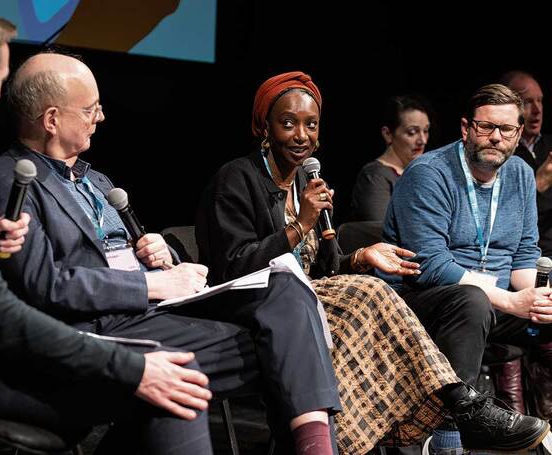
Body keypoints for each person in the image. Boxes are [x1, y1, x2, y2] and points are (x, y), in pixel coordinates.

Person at [0, 6, 228, 454]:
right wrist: (129, 366)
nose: (3, 98)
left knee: (166, 382)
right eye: (1, 81)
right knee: (171, 388)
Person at [0, 52, 344, 455]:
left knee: (285, 294)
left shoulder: (96, 179)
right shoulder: (7, 181)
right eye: (91, 109)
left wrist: (157, 253)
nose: (101, 117)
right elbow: (41, 285)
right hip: (96, 328)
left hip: (155, 313)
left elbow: (130, 255)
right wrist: (147, 283)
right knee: (284, 354)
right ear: (52, 120)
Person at [195, 72, 550, 455]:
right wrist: (301, 226)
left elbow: (325, 270)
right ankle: (460, 409)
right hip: (257, 300)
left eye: (310, 125)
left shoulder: (304, 183)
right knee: (379, 292)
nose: (301, 135)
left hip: (309, 296)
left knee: (370, 288)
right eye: (288, 123)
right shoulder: (236, 179)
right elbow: (233, 266)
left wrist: (361, 256)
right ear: (264, 126)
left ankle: (463, 412)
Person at [382, 83, 552, 453]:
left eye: (506, 129)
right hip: (422, 299)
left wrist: (535, 297)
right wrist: (510, 301)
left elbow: (524, 253)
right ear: (465, 128)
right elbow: (430, 264)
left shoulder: (521, 174)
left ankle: (544, 424)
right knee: (472, 301)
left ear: (518, 133)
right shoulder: (429, 173)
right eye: (485, 126)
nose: (495, 137)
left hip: (495, 299)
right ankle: (449, 437)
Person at [500, 71, 552, 420]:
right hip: (521, 261)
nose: (536, 110)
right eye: (527, 102)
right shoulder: (501, 153)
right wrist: (542, 180)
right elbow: (500, 219)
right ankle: (528, 419)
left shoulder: (548, 145)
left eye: (540, 102)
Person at [350, 95, 430, 222]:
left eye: (425, 131)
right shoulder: (375, 176)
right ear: (388, 134)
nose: (423, 140)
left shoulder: (422, 174)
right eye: (412, 132)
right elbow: (379, 230)